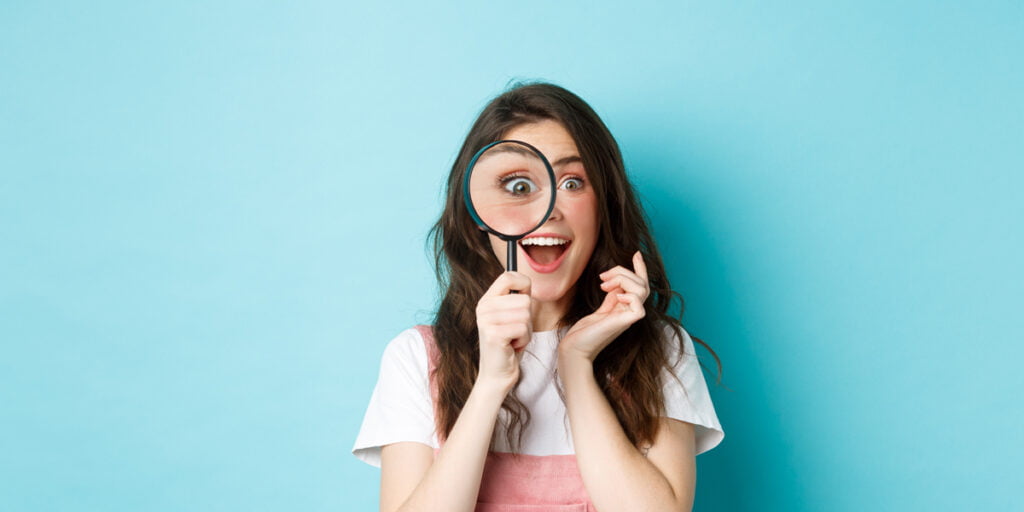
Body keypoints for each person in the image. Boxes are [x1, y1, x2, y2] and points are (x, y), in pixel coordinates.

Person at [352, 82, 725, 512]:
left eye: (572, 181)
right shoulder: (416, 359)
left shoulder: (659, 349)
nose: (548, 209)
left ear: (603, 206)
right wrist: (490, 382)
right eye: (516, 186)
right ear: (478, 214)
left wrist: (576, 363)